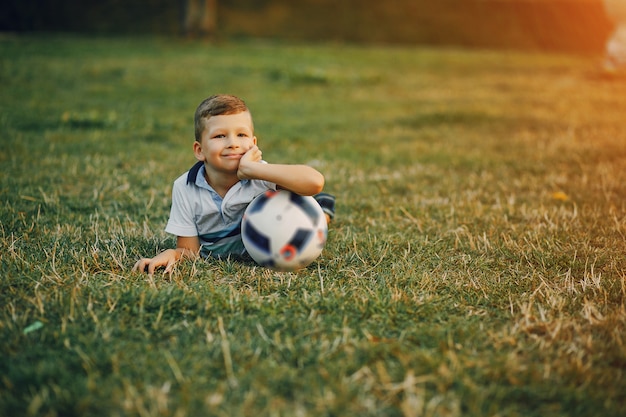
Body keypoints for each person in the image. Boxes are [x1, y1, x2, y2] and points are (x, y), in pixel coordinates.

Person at [133, 94, 335, 275]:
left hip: (279, 223)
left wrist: (253, 170)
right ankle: (322, 208)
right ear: (199, 150)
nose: (233, 143)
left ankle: (321, 209)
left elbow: (315, 181)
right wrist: (172, 254)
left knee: (310, 222)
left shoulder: (260, 175)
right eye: (220, 136)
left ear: (254, 143)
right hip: (246, 241)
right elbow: (190, 252)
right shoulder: (185, 187)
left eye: (242, 135)